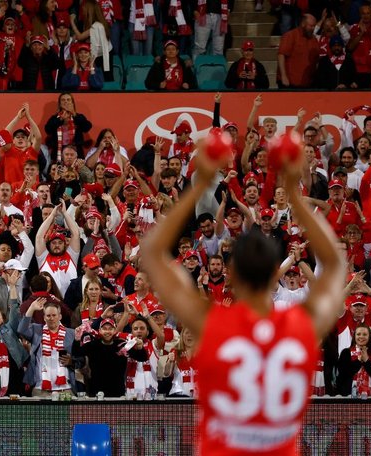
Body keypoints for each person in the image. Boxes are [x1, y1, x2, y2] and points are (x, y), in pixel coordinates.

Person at [141, 135, 346, 455]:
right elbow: (334, 264)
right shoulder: (301, 327)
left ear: (232, 275)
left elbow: (152, 253)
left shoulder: (211, 324)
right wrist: (293, 192)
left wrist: (200, 183)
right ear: (274, 273)